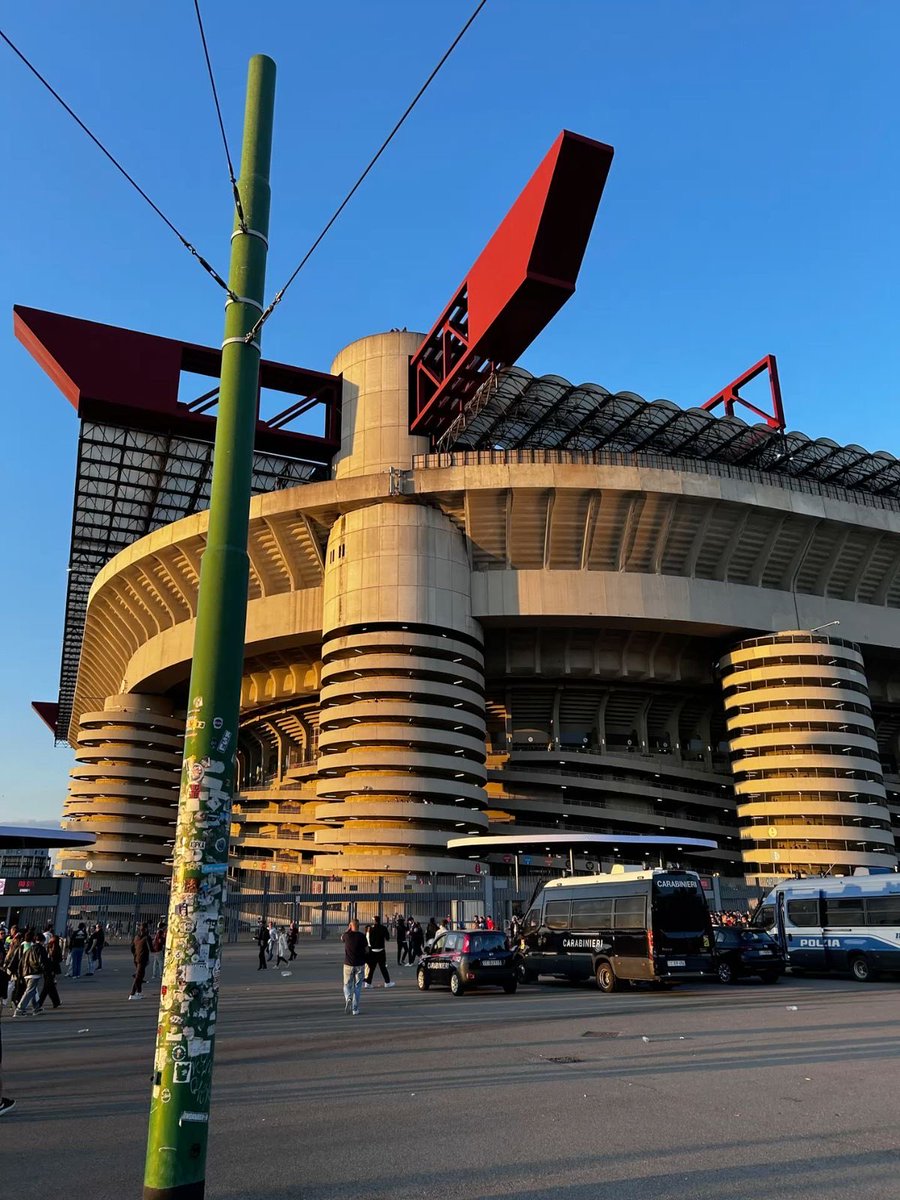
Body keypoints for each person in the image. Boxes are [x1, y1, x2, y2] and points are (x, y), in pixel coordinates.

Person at [15, 932, 46, 1017]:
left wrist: (21, 972)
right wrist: (45, 971)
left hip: (26, 972)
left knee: (33, 991)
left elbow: (22, 961)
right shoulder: (40, 949)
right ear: (43, 941)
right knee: (30, 991)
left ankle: (36, 1007)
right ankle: (19, 1010)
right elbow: (42, 961)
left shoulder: (29, 949)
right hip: (34, 972)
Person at [341, 918, 368, 1016]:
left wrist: (348, 929)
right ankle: (355, 1009)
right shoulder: (362, 936)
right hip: (360, 964)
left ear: (350, 926)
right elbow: (367, 950)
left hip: (348, 964)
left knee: (347, 985)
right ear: (358, 926)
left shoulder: (346, 936)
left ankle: (348, 997)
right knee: (358, 986)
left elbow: (341, 938)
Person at [364, 917, 394, 988]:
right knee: (383, 967)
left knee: (371, 968)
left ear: (374, 921)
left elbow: (368, 939)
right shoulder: (383, 928)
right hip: (381, 951)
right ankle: (387, 982)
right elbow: (387, 938)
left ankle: (368, 983)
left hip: (373, 951)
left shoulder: (370, 928)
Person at [128, 923, 151, 1000]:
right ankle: (132, 993)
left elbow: (132, 948)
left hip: (137, 958)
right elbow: (151, 949)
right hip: (143, 959)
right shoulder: (147, 938)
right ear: (146, 929)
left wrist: (136, 954)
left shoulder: (136, 937)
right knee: (138, 977)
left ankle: (139, 992)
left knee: (140, 976)